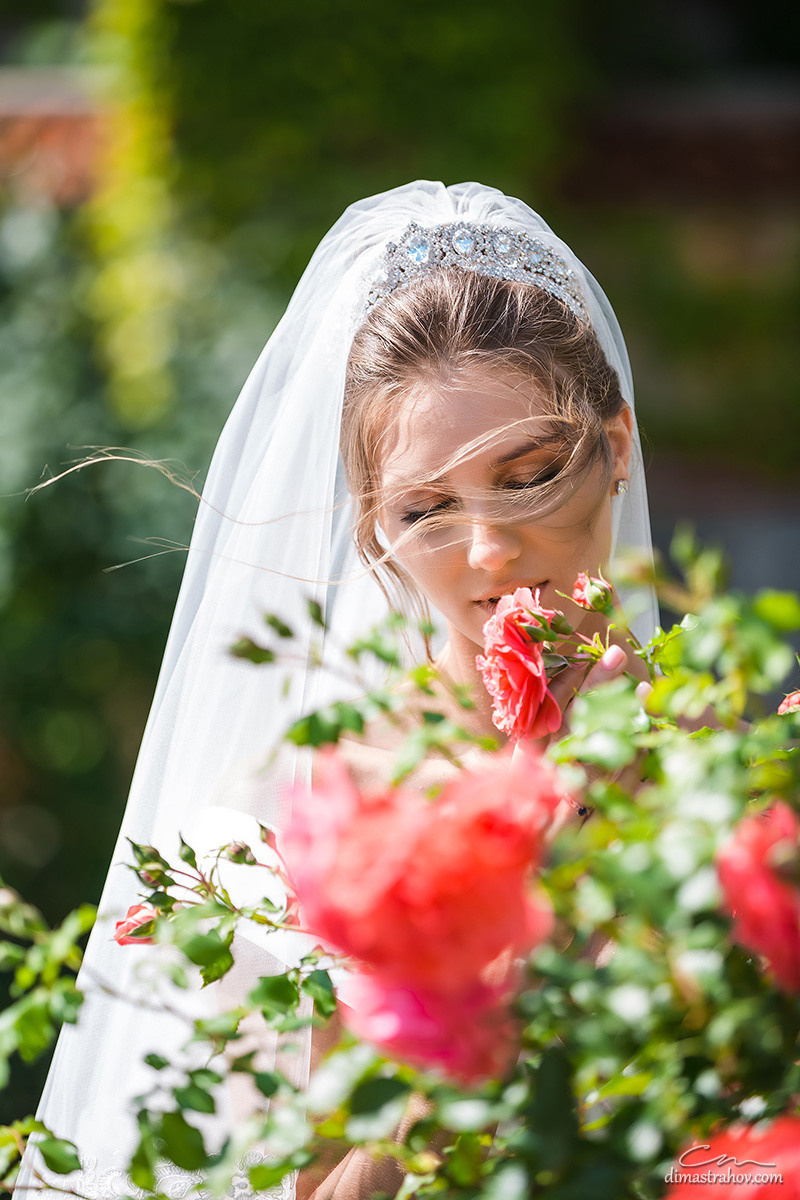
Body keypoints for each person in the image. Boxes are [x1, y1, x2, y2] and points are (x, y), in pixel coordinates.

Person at [18, 181, 658, 1200]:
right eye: (426, 510)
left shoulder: (734, 769)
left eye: (529, 474)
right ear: (370, 528)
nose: (488, 552)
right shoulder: (307, 824)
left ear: (614, 447)